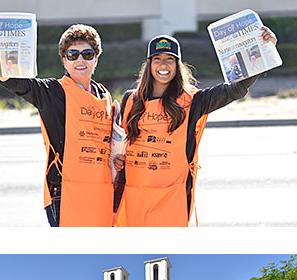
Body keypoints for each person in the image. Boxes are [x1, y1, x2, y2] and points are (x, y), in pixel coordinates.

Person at [115, 30, 277, 227]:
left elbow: (234, 89)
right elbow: (119, 146)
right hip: (134, 198)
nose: (163, 65)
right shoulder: (130, 100)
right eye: (157, 59)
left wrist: (262, 52)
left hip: (171, 198)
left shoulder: (193, 101)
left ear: (178, 65)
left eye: (170, 59)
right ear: (149, 65)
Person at [0, 25, 115, 226]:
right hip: (65, 191)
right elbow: (17, 83)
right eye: (73, 54)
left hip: (101, 190)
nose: (80, 60)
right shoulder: (51, 91)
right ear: (64, 60)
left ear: (96, 58)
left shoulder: (104, 96)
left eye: (87, 54)